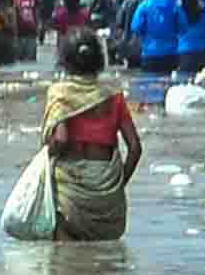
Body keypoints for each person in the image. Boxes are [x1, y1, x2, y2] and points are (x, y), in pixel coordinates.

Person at [36, 28, 145, 237]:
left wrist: (42, 163)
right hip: (107, 193)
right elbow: (135, 148)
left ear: (66, 60)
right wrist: (118, 186)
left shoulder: (61, 93)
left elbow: (60, 139)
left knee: (66, 263)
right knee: (104, 264)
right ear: (98, 60)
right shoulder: (113, 96)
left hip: (70, 190)